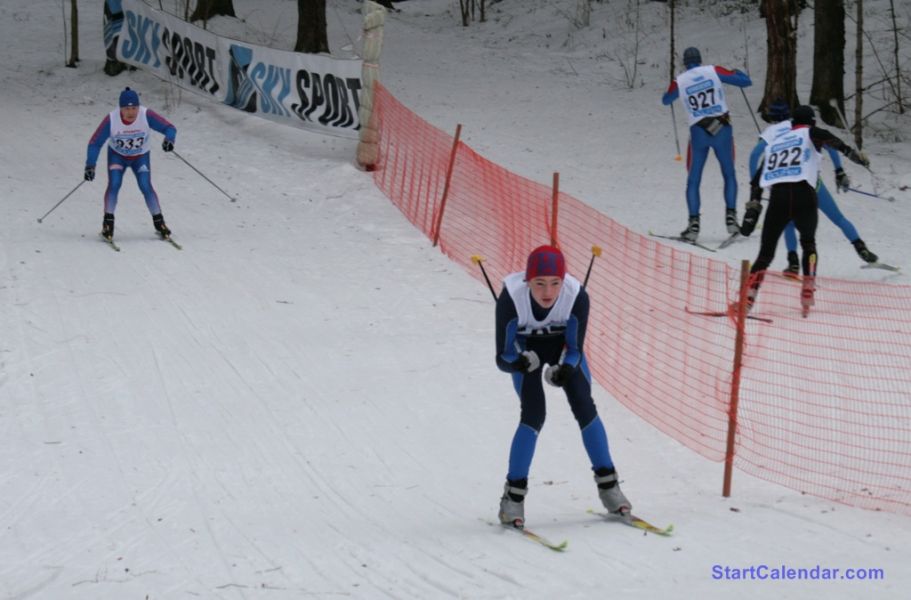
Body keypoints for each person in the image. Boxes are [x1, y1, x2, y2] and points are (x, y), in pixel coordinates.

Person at [495, 245, 630, 527]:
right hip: (526, 351)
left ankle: (609, 488)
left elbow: (575, 349)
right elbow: (502, 355)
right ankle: (513, 498)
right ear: (527, 281)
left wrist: (566, 369)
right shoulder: (511, 295)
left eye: (555, 283)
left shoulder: (576, 295)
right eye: (539, 283)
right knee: (534, 414)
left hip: (562, 348)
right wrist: (519, 363)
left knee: (584, 404)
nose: (548, 292)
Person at [739, 105, 870, 314]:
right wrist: (855, 156)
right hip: (805, 196)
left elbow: (757, 181)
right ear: (812, 122)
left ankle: (748, 297)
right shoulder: (811, 132)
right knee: (809, 244)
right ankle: (808, 289)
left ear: (792, 124)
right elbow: (833, 141)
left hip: (778, 199)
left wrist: (753, 209)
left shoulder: (776, 143)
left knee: (765, 253)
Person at [662, 47, 753, 241]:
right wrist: (738, 72)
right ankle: (731, 219)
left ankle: (693, 225)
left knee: (694, 180)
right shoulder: (713, 70)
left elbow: (666, 100)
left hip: (698, 132)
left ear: (685, 62)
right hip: (722, 129)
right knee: (729, 174)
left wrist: (675, 86)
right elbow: (746, 82)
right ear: (700, 60)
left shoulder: (680, 80)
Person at [85, 87, 177, 241]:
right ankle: (108, 223)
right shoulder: (112, 119)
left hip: (140, 157)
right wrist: (90, 165)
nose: (131, 112)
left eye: (134, 108)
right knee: (114, 184)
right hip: (117, 156)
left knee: (145, 185)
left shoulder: (146, 115)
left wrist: (169, 140)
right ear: (120, 108)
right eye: (127, 109)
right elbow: (95, 143)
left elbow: (170, 128)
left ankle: (159, 222)